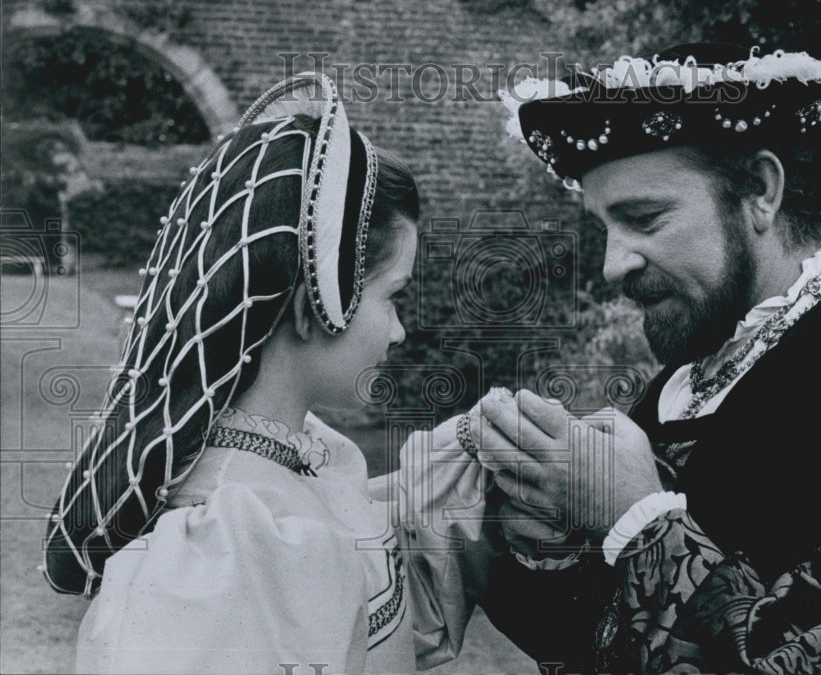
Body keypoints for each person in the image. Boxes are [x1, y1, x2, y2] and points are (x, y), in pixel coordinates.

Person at [471, 35, 821, 674]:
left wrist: (642, 521)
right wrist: (551, 531)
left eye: (646, 218)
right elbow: (586, 640)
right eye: (604, 228)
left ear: (762, 192)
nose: (613, 264)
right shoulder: (692, 376)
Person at [41, 73, 490, 674]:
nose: (399, 330)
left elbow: (382, 609)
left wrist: (480, 461)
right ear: (313, 308)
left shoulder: (308, 455)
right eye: (393, 297)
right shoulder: (221, 553)